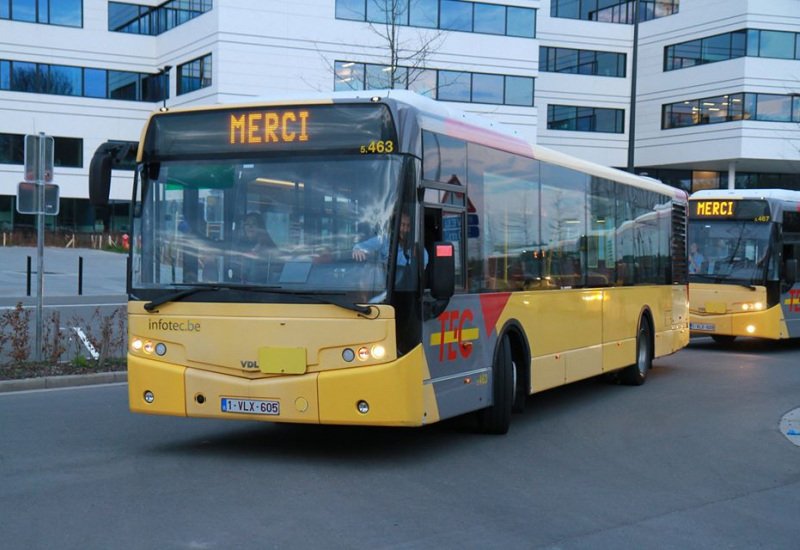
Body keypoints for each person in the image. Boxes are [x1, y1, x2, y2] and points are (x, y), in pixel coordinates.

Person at [352, 212, 428, 267]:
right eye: (402, 225)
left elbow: (418, 269)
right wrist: (358, 250)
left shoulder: (417, 247)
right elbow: (363, 246)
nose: (405, 229)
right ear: (396, 225)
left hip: (406, 285)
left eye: (408, 226)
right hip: (386, 284)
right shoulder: (385, 239)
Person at [238, 211, 277, 283]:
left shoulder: (267, 248)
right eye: (247, 224)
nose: (250, 227)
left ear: (260, 227)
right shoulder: (239, 246)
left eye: (254, 224)